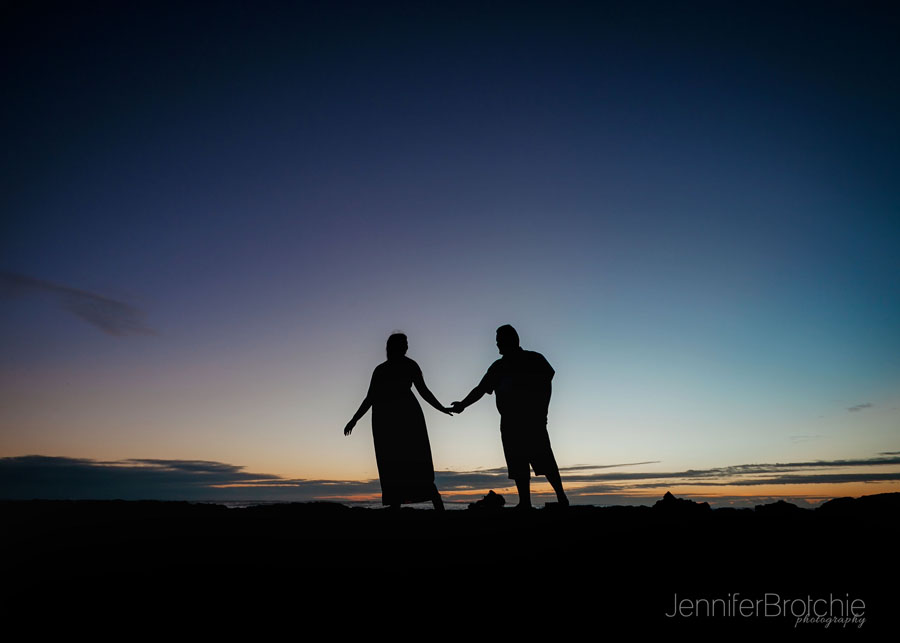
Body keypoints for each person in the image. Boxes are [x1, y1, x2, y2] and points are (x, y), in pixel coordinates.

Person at [451, 325, 568, 509]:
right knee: (517, 462)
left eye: (500, 340)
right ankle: (525, 503)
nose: (497, 344)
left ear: (512, 340)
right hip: (510, 422)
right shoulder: (498, 367)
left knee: (544, 459)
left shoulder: (533, 358)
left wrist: (541, 410)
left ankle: (562, 498)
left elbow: (547, 379)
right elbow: (481, 389)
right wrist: (463, 405)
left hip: (532, 420)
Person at [344, 333, 451, 510]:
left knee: (417, 460)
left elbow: (424, 391)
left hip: (408, 419)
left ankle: (436, 502)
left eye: (406, 344)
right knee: (391, 463)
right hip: (386, 421)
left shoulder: (410, 365)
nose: (406, 347)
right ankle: (396, 505)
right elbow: (370, 397)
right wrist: (354, 419)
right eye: (403, 344)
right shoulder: (381, 370)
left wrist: (441, 408)